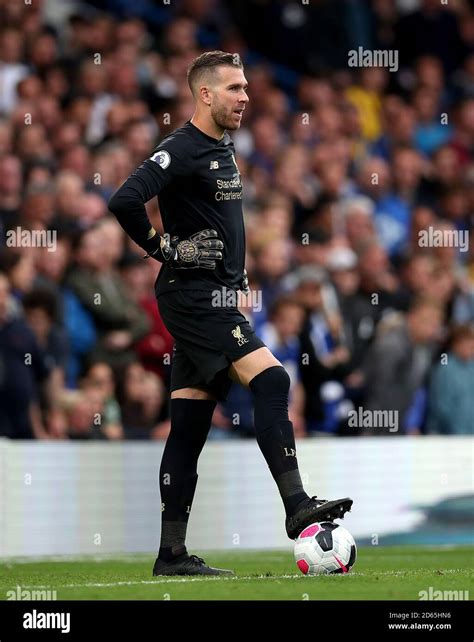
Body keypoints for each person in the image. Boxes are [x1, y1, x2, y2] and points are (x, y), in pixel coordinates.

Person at [108, 51, 353, 577]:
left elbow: (220, 225)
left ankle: (171, 553)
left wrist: (236, 276)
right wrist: (163, 247)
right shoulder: (181, 148)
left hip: (215, 294)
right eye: (235, 88)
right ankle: (297, 506)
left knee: (189, 427)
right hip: (192, 296)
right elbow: (125, 200)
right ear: (204, 94)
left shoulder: (223, 147)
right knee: (271, 379)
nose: (246, 96)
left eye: (246, 87)